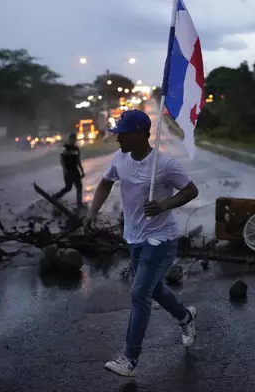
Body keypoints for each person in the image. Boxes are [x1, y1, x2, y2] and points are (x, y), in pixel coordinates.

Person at [82, 109, 199, 377]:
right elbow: (104, 184)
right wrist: (91, 213)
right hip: (135, 237)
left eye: (122, 134)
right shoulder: (120, 158)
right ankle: (185, 317)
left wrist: (163, 205)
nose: (117, 139)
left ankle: (129, 358)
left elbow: (191, 190)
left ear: (139, 134)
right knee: (154, 290)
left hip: (161, 239)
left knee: (139, 293)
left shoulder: (165, 165)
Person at [53, 134, 85, 207]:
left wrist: (82, 171)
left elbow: (78, 161)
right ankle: (56, 196)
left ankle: (79, 203)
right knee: (68, 187)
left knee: (79, 187)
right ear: (69, 139)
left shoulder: (76, 148)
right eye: (72, 139)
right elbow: (61, 159)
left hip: (75, 170)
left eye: (74, 139)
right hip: (68, 170)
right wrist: (64, 169)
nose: (73, 141)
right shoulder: (64, 148)